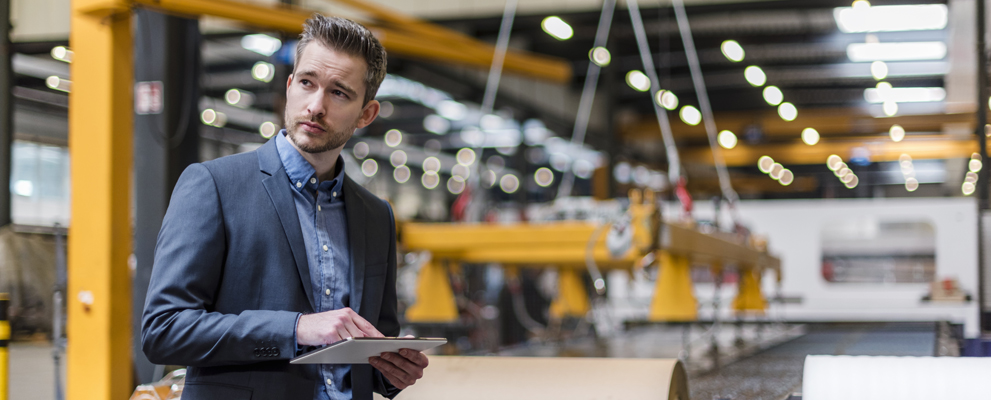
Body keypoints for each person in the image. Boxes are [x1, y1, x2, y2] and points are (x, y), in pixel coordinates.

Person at [141, 15, 428, 400]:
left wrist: (394, 373)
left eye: (339, 93)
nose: (315, 106)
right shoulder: (214, 185)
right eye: (307, 83)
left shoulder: (376, 215)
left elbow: (373, 348)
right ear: (290, 86)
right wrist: (296, 329)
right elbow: (164, 329)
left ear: (366, 115)